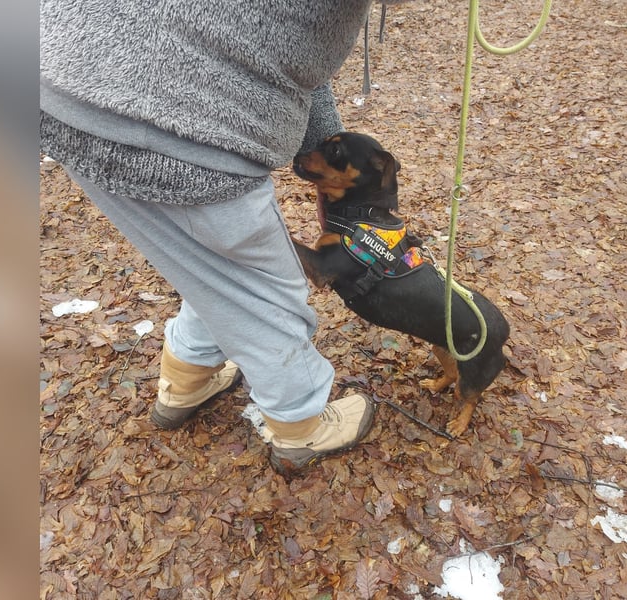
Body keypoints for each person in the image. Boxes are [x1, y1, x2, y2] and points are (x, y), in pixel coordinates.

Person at [40, 0, 377, 476]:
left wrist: (322, 146)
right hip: (184, 122)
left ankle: (187, 382)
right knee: (266, 290)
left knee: (209, 263)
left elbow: (291, 42)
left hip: (64, 81)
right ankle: (300, 425)